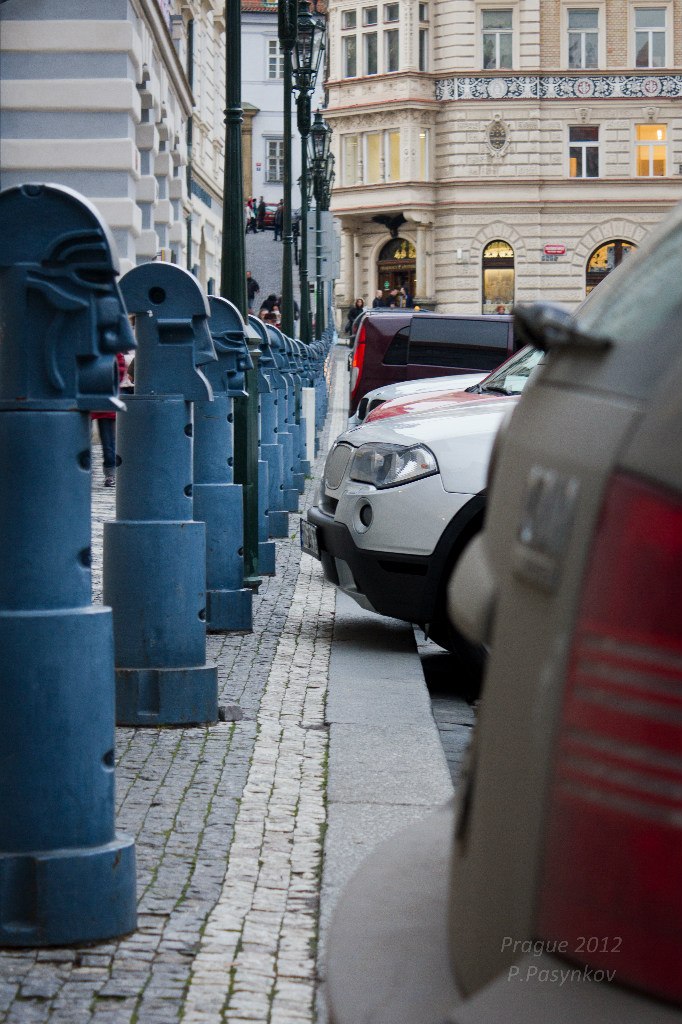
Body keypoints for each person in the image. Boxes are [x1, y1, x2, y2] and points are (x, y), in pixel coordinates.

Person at [91, 351, 126, 487]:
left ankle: (110, 474)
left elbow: (120, 369)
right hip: (98, 396)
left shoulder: (112, 348)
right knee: (83, 440)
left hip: (105, 398)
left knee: (108, 442)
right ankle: (88, 471)